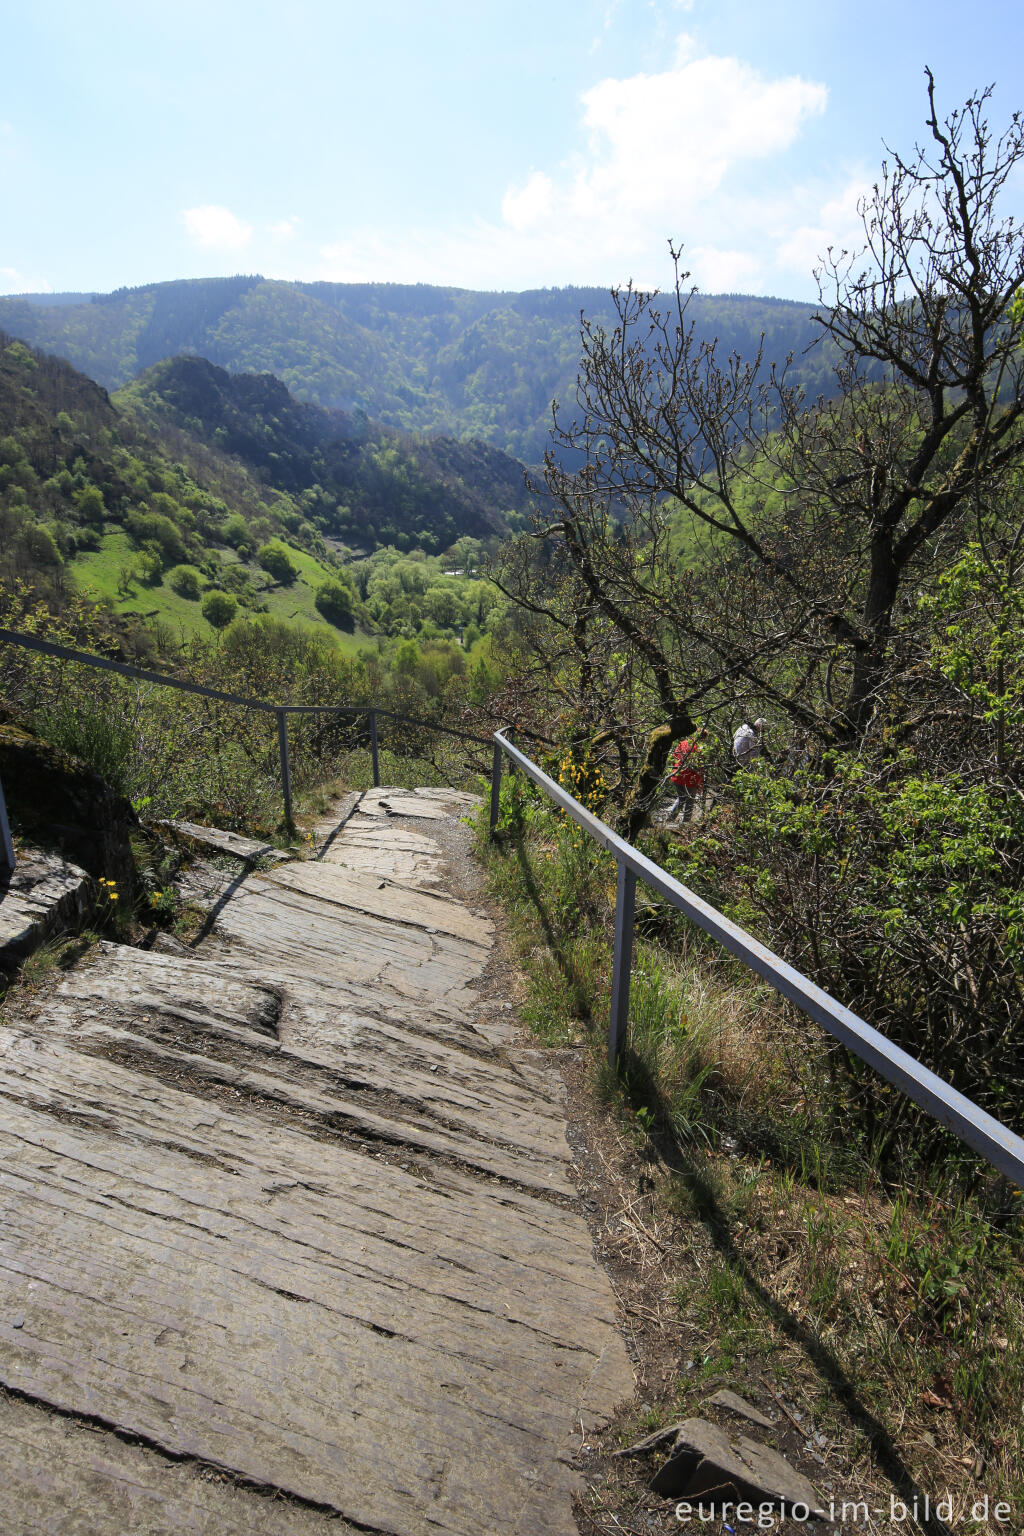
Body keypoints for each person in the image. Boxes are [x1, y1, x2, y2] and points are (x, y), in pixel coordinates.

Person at [667, 728, 706, 821]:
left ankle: (670, 819)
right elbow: (701, 768)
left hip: (677, 775)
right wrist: (700, 784)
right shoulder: (700, 749)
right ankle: (685, 824)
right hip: (690, 779)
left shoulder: (683, 743)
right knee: (689, 801)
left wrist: (674, 771)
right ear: (703, 738)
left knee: (681, 799)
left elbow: (674, 757)